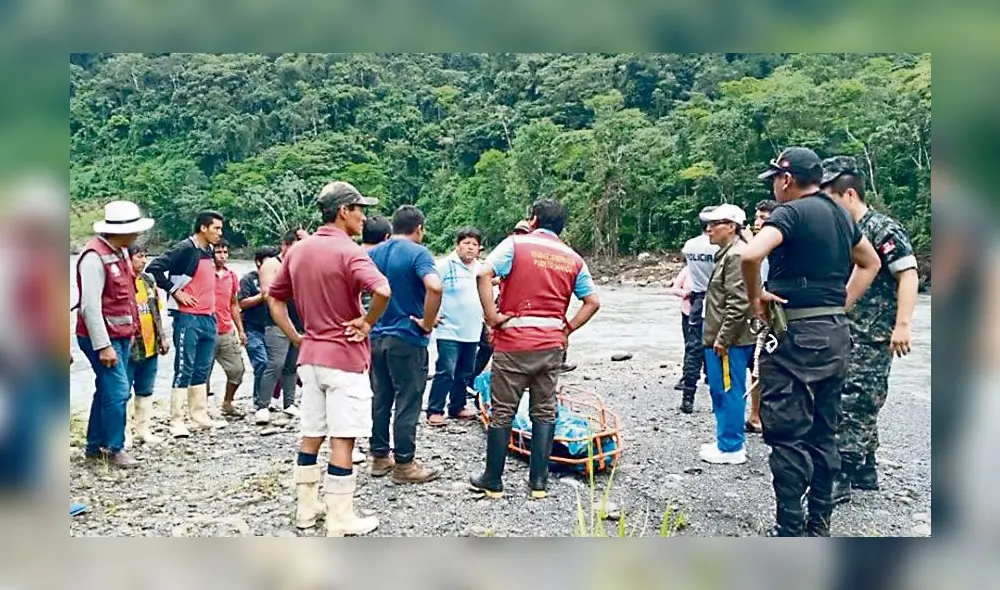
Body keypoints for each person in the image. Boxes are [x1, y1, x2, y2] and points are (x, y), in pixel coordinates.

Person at [741, 146, 881, 537]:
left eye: (775, 179)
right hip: (836, 335)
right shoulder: (841, 213)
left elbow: (750, 255)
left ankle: (788, 529)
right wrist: (842, 303)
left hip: (796, 338)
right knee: (824, 431)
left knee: (787, 436)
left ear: (786, 179)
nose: (774, 186)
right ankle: (819, 525)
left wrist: (757, 299)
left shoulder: (789, 212)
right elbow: (870, 263)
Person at [268, 181, 391, 536]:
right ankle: (340, 517)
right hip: (344, 356)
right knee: (343, 438)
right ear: (343, 211)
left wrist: (296, 336)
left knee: (311, 433)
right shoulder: (350, 251)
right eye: (360, 210)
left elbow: (274, 298)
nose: (363, 217)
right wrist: (367, 322)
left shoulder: (298, 251)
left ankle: (306, 509)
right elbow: (382, 289)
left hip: (310, 357)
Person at [470, 198, 601, 500]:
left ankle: (493, 481)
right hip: (551, 345)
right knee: (544, 410)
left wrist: (492, 317)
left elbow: (482, 274)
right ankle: (538, 485)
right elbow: (593, 301)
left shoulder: (517, 245)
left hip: (514, 344)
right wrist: (567, 328)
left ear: (533, 219)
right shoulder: (573, 259)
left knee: (502, 411)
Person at [820, 156, 919, 504]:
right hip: (846, 330)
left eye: (829, 197)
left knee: (856, 400)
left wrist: (902, 325)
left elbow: (908, 274)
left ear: (849, 195)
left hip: (873, 333)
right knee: (857, 396)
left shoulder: (882, 229)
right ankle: (866, 468)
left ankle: (842, 475)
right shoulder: (842, 230)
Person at [368, 205, 444, 484]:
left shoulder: (373, 253)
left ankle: (379, 457)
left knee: (381, 397)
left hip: (375, 336)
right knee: (408, 400)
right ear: (419, 229)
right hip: (406, 337)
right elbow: (435, 287)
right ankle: (404, 464)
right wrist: (427, 321)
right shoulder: (418, 253)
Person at [74, 200, 154, 467]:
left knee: (106, 388)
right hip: (102, 338)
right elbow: (90, 307)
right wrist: (103, 345)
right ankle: (113, 446)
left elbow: (125, 299)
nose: (137, 236)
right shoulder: (94, 257)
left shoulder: (118, 252)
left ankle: (95, 445)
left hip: (120, 335)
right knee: (119, 390)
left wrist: (129, 333)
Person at [146, 210, 229, 437]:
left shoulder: (209, 250)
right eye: (216, 228)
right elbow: (153, 268)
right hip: (187, 316)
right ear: (203, 228)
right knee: (184, 366)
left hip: (208, 316)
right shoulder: (185, 248)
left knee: (202, 367)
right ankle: (176, 420)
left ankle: (199, 414)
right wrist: (175, 292)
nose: (219, 233)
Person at [698, 204, 757, 465]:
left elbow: (738, 302)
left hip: (729, 341)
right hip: (722, 337)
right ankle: (725, 440)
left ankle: (732, 446)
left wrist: (723, 338)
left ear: (732, 226)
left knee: (729, 390)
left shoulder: (735, 255)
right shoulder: (729, 253)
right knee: (721, 390)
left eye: (715, 224)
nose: (708, 229)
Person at [427, 227, 484, 426]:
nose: (470, 248)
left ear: (479, 249)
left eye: (474, 244)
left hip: (473, 329)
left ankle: (457, 406)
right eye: (466, 243)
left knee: (465, 371)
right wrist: (430, 316)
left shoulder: (481, 268)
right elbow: (428, 288)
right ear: (457, 245)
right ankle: (435, 409)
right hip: (449, 327)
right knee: (446, 370)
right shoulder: (444, 265)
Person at [257, 230, 306, 424]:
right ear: (286, 245)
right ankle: (263, 404)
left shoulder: (302, 265)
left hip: (298, 321)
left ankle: (289, 402)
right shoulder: (271, 265)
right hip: (276, 322)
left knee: (292, 366)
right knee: (275, 364)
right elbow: (268, 294)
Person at [125, 244, 169, 446]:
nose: (143, 261)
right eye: (139, 257)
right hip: (129, 346)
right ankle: (123, 433)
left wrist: (163, 337)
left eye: (145, 257)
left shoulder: (148, 280)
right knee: (123, 392)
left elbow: (156, 312)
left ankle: (143, 430)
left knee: (146, 389)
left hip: (151, 344)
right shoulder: (121, 282)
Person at [677, 207, 719, 413]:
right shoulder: (719, 247)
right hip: (718, 299)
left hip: (697, 299)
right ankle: (718, 398)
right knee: (720, 347)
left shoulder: (690, 246)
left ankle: (688, 397)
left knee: (693, 348)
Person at [745, 199, 778, 434]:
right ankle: (755, 415)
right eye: (757, 217)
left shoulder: (778, 244)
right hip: (761, 314)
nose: (757, 223)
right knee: (757, 365)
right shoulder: (758, 244)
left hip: (779, 313)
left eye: (763, 219)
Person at [239, 246, 280, 423]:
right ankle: (259, 402)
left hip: (272, 328)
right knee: (261, 363)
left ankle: (268, 399)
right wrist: (261, 297)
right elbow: (241, 302)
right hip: (253, 329)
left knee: (275, 365)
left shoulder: (279, 277)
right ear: (258, 262)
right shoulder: (249, 279)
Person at [207, 239, 247, 417]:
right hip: (206, 330)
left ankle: (227, 402)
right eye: (218, 252)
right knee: (203, 373)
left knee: (237, 370)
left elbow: (233, 304)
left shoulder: (231, 276)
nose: (222, 256)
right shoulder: (204, 274)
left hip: (226, 330)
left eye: (225, 252)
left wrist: (241, 330)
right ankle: (203, 408)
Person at [666, 265, 692, 391]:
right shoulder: (687, 270)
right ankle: (686, 376)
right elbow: (674, 289)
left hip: (709, 312)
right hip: (687, 312)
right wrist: (685, 293)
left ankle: (709, 373)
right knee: (689, 345)